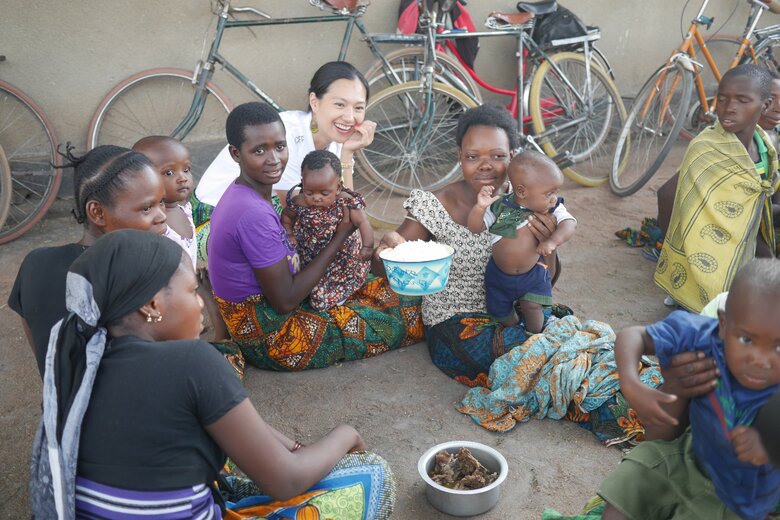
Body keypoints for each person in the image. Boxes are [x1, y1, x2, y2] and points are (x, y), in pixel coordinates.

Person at [29, 229, 395, 520]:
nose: (202, 303)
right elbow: (286, 479)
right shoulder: (193, 361)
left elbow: (221, 421)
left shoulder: (77, 362)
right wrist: (346, 434)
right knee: (371, 476)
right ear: (152, 305)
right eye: (192, 291)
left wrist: (295, 447)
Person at [207, 102, 422, 371]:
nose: (274, 159)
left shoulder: (246, 193)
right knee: (406, 310)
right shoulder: (252, 214)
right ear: (235, 153)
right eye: (259, 150)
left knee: (387, 288)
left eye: (280, 146)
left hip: (265, 309)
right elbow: (285, 301)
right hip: (272, 338)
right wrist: (340, 236)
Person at [599, 259, 780, 520]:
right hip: (687, 458)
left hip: (738, 499)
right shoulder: (702, 337)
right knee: (628, 489)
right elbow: (633, 336)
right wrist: (632, 384)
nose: (760, 359)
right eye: (746, 340)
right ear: (724, 324)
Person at [8, 145, 167, 377]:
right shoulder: (142, 277)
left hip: (60, 409)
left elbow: (45, 352)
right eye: (147, 208)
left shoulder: (35, 263)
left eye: (162, 202)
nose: (162, 216)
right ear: (97, 213)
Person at [655, 64, 779, 312]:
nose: (729, 107)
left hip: (746, 242)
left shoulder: (766, 146)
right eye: (722, 99)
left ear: (764, 106)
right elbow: (673, 199)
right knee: (719, 313)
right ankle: (689, 291)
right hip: (707, 248)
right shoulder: (707, 147)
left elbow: (758, 207)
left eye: (742, 100)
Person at [194, 61, 376, 219]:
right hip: (211, 214)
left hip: (253, 211)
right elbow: (298, 211)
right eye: (340, 105)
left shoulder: (336, 140)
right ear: (315, 101)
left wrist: (347, 154)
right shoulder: (286, 133)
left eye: (358, 108)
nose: (350, 117)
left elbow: (350, 208)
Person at [466, 150, 576, 330]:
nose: (554, 198)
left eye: (556, 192)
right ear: (521, 191)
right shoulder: (500, 206)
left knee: (532, 307)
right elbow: (475, 227)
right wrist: (480, 207)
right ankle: (514, 326)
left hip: (533, 274)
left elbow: (569, 224)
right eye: (549, 193)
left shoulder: (552, 207)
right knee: (499, 311)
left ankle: (532, 335)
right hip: (498, 275)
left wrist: (552, 242)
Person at [281, 149, 373, 310]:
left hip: (342, 257)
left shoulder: (345, 201)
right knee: (306, 286)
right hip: (310, 256)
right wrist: (288, 232)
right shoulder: (299, 201)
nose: (316, 198)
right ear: (303, 183)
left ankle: (342, 292)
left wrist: (368, 246)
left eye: (324, 193)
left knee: (321, 300)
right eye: (310, 192)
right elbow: (287, 217)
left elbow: (363, 222)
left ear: (338, 187)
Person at [132, 136, 196, 267]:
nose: (182, 178)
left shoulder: (185, 211)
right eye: (169, 173)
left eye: (186, 170)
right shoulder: (152, 225)